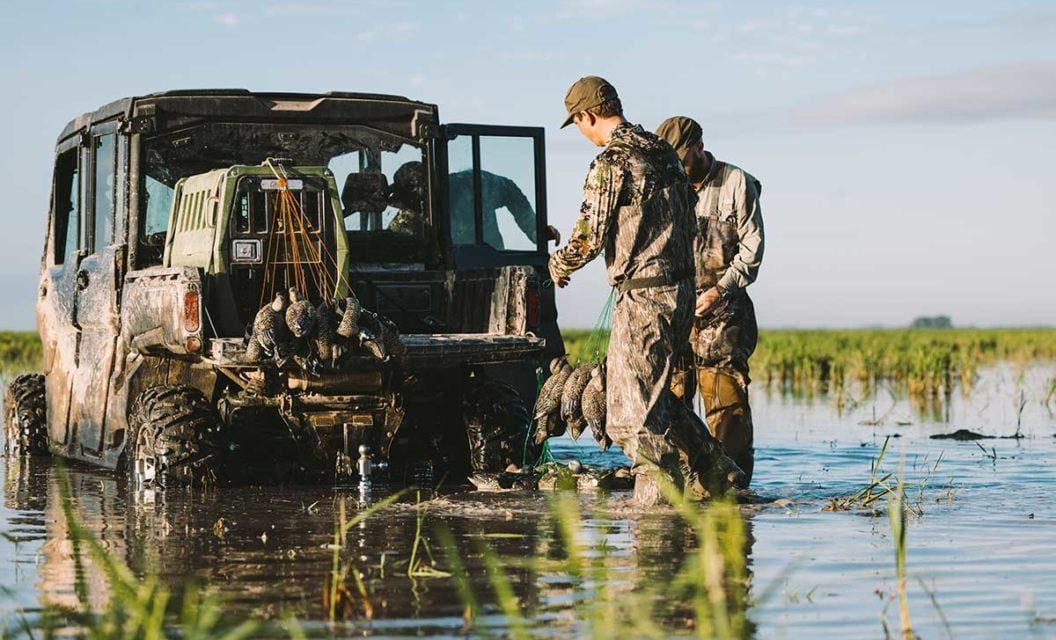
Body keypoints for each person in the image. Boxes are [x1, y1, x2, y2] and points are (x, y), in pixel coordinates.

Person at [548, 77, 745, 504]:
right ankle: (716, 469)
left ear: (586, 116)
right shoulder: (664, 154)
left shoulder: (612, 161)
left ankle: (659, 506)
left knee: (627, 419)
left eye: (577, 122)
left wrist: (557, 265)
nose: (581, 131)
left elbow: (587, 238)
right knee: (654, 402)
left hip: (644, 298)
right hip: (681, 294)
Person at [656, 116, 764, 483]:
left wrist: (719, 291)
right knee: (672, 397)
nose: (678, 168)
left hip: (725, 310)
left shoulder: (737, 182)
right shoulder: (666, 185)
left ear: (699, 147)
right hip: (677, 311)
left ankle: (732, 484)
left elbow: (752, 249)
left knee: (725, 400)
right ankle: (685, 484)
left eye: (682, 159)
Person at [388, 160, 547, 250]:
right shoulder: (404, 224)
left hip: (492, 271)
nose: (426, 205)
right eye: (418, 203)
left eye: (430, 192)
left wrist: (534, 229)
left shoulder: (472, 185)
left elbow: (510, 191)